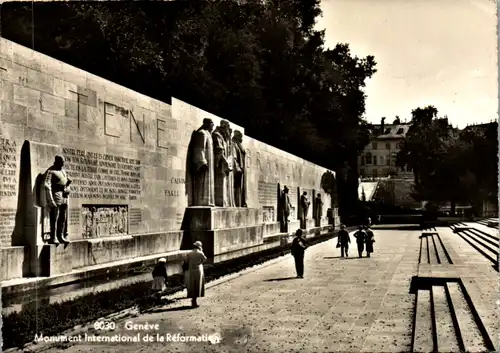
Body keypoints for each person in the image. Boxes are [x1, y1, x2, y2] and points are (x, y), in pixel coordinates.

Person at [43, 155, 72, 244]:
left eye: (63, 162)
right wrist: (50, 199)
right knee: (55, 217)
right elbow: (47, 185)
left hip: (64, 195)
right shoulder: (51, 171)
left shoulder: (63, 171)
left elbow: (67, 183)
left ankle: (61, 236)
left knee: (63, 217)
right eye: (62, 162)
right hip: (56, 195)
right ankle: (53, 236)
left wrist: (68, 189)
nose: (63, 163)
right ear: (57, 161)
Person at [186, 241, 207, 308]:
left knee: (192, 285)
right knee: (198, 285)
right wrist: (202, 251)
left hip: (191, 270)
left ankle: (193, 300)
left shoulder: (189, 253)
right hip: (198, 270)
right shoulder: (200, 253)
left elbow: (186, 261)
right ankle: (194, 301)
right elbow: (205, 260)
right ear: (199, 246)